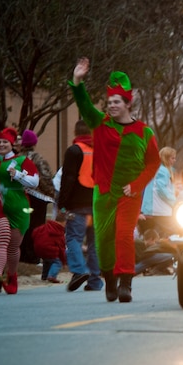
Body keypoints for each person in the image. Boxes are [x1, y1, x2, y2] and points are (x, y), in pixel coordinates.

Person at [69, 57, 161, 303]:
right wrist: (77, 79)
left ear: (127, 104)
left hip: (129, 193)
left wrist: (137, 185)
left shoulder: (144, 132)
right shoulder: (99, 124)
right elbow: (85, 104)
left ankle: (126, 284)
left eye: (116, 101)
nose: (111, 106)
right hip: (103, 192)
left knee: (123, 235)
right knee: (104, 239)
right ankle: (109, 279)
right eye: (109, 102)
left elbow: (154, 162)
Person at [0, 127, 39, 294]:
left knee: (12, 247)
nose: (1, 145)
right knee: (1, 239)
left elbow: (35, 182)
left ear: (12, 144)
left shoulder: (22, 161)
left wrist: (18, 175)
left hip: (18, 208)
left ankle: (12, 276)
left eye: (5, 142)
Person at [58, 120, 103, 292]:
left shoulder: (74, 151)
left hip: (77, 205)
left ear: (76, 132)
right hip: (96, 204)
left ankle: (78, 271)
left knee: (73, 238)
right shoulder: (98, 151)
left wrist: (62, 203)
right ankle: (95, 280)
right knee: (94, 243)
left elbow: (68, 178)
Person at [18, 128, 57, 264]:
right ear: (34, 143)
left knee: (25, 225)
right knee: (37, 227)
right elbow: (45, 177)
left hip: (22, 196)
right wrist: (51, 192)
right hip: (38, 197)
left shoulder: (18, 158)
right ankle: (33, 255)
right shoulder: (38, 158)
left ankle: (23, 254)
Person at [139, 146, 177, 238]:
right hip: (160, 209)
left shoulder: (157, 169)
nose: (174, 160)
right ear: (166, 158)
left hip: (154, 209)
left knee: (153, 234)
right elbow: (161, 189)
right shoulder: (163, 171)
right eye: (173, 158)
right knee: (170, 233)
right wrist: (174, 201)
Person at [31, 211, 67, 283]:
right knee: (57, 262)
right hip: (50, 249)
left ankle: (44, 277)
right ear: (64, 222)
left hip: (39, 248)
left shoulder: (46, 226)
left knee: (47, 261)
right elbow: (61, 248)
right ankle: (52, 276)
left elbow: (35, 232)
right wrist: (63, 261)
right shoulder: (59, 231)